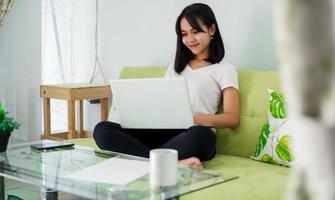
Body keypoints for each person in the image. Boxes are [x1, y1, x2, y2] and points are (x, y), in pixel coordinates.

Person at [93, 3, 240, 169]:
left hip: (193, 134)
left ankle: (145, 158)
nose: (190, 39)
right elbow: (163, 102)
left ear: (212, 30)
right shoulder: (176, 67)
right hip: (164, 132)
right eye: (184, 34)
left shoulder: (225, 69)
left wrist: (193, 119)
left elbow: (232, 118)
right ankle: (168, 162)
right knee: (102, 129)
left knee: (202, 135)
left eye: (196, 31)